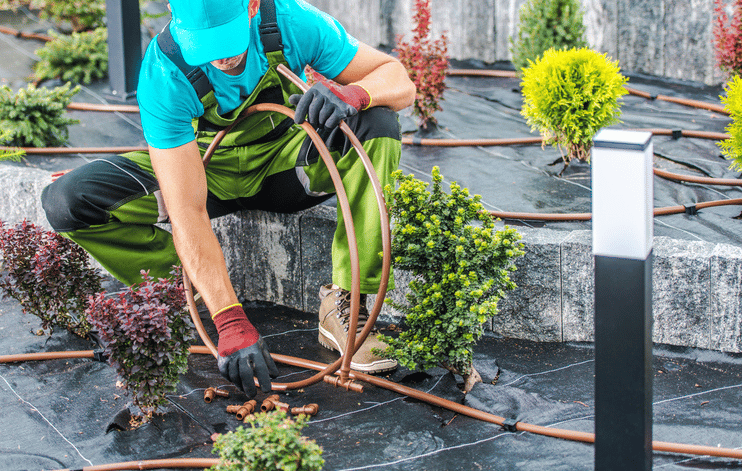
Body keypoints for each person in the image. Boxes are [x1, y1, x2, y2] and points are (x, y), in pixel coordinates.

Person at [41, 0, 415, 399]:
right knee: (69, 201)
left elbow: (398, 79)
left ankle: (345, 304)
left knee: (378, 123)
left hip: (289, 169)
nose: (218, 59)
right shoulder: (164, 71)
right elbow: (186, 208)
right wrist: (228, 318)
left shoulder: (291, 22)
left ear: (252, 6)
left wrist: (355, 92)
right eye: (205, 47)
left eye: (226, 42)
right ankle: (184, 290)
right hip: (205, 171)